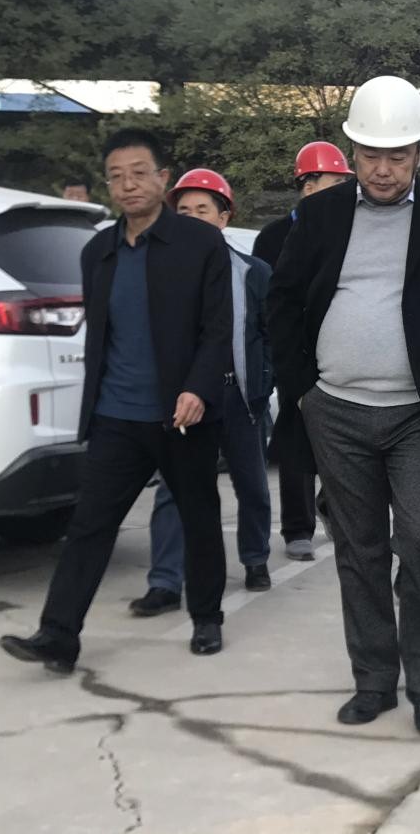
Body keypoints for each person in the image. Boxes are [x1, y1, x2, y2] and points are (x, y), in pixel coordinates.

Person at [267, 76, 420, 739]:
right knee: (359, 548)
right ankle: (373, 680)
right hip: (336, 412)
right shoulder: (320, 216)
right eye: (371, 154)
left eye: (397, 156)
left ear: (418, 154)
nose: (382, 169)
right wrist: (303, 388)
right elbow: (282, 302)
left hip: (419, 415)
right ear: (352, 151)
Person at [0, 128, 232, 670]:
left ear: (163, 179)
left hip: (182, 415)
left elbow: (218, 328)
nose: (128, 185)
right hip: (116, 415)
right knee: (89, 526)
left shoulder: (200, 243)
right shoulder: (97, 252)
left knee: (199, 518)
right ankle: (58, 635)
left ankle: (207, 617)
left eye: (139, 173)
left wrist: (198, 387)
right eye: (116, 177)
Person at [128, 169, 274, 618]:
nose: (192, 218)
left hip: (238, 396)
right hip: (185, 400)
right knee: (174, 490)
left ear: (224, 217)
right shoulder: (158, 272)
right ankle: (165, 582)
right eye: (184, 211)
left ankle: (255, 557)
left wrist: (263, 383)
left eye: (202, 210)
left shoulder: (253, 272)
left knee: (251, 483)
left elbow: (271, 334)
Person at [253, 140, 353, 561]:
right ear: (308, 185)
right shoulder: (273, 237)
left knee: (344, 442)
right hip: (294, 355)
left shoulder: (351, 232)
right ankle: (297, 527)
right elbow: (268, 302)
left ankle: (332, 504)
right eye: (334, 182)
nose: (343, 191)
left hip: (341, 352)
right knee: (296, 442)